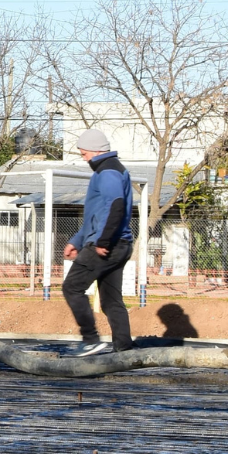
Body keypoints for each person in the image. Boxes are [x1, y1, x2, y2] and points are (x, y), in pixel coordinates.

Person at [62, 128, 135, 356]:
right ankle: (124, 351)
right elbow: (96, 215)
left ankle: (91, 340)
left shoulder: (108, 171)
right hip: (119, 243)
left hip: (107, 245)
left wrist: (103, 241)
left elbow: (115, 206)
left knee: (72, 287)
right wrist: (77, 241)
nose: (84, 159)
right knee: (111, 301)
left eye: (84, 154)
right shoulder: (113, 169)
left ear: (95, 151)